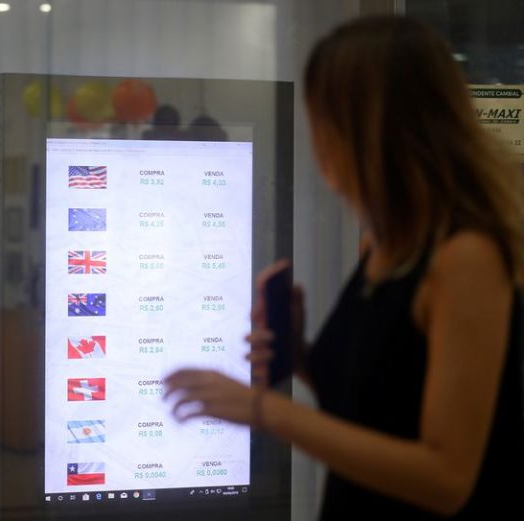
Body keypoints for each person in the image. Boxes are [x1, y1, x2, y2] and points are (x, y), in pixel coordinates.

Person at [164, 15, 524, 520]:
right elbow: (383, 404)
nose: (318, 147)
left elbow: (447, 478)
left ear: (368, 131)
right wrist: (304, 356)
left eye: (323, 123)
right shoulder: (385, 247)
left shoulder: (465, 258)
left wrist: (263, 410)